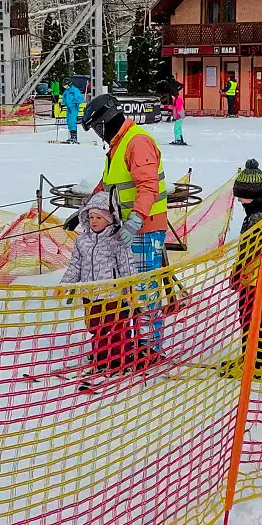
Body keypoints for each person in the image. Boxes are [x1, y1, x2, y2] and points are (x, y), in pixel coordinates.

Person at [78, 93, 168, 358]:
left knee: (144, 290)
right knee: (127, 291)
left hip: (144, 229)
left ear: (104, 121)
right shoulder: (118, 146)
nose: (97, 134)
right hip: (125, 231)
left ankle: (150, 347)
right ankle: (129, 344)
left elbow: (148, 185)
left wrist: (135, 221)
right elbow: (107, 186)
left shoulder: (137, 142)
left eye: (96, 128)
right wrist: (87, 208)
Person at [221, 159, 262, 379]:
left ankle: (256, 357)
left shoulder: (259, 216)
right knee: (252, 315)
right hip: (259, 273)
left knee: (250, 315)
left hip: (255, 273)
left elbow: (250, 248)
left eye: (242, 196)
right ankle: (257, 354)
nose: (239, 201)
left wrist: (238, 272)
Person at [60, 191, 135, 376]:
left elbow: (127, 267)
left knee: (116, 327)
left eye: (99, 217)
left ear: (109, 219)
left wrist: (130, 290)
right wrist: (65, 285)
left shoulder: (116, 241)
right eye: (91, 217)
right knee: (95, 327)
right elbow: (75, 265)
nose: (93, 221)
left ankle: (119, 359)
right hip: (90, 295)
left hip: (112, 295)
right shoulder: (82, 240)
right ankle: (101, 357)